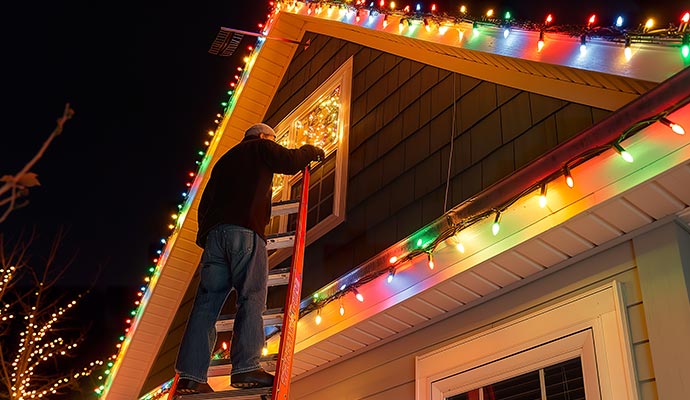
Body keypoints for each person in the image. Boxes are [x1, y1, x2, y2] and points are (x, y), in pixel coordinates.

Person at [173, 123, 325, 395]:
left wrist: (207, 238)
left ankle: (190, 376)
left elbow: (204, 203)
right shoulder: (261, 147)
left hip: (214, 238)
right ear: (265, 137)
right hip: (244, 231)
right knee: (251, 296)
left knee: (206, 306)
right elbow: (289, 161)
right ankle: (245, 368)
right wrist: (310, 151)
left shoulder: (223, 162)